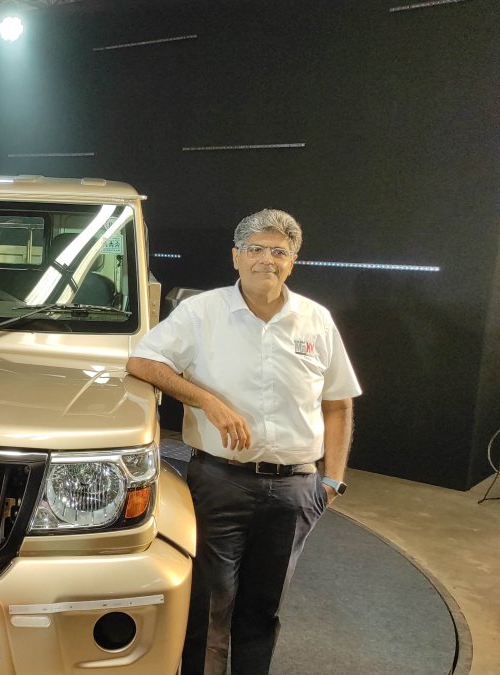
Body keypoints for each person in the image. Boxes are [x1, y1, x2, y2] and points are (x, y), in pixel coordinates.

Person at [126, 209, 361, 674]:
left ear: (292, 261)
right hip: (220, 482)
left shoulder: (316, 320)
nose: (266, 260)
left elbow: (338, 404)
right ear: (236, 257)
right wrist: (206, 401)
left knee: (263, 609)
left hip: (295, 489)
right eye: (255, 249)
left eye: (278, 251)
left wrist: (332, 481)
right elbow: (143, 362)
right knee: (208, 605)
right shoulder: (202, 312)